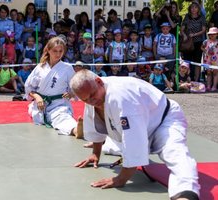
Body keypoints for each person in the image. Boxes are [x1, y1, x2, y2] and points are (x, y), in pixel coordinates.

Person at [70, 69, 200, 200]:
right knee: (114, 146)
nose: (91, 101)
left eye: (92, 96)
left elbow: (134, 140)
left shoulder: (121, 96)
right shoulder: (92, 91)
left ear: (99, 81)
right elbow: (95, 122)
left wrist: (121, 179)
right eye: (85, 100)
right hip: (138, 125)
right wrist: (95, 153)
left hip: (163, 121)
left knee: (175, 152)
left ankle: (186, 194)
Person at [24, 37, 83, 138]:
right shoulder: (40, 67)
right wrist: (37, 97)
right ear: (48, 50)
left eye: (61, 51)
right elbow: (29, 88)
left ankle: (76, 130)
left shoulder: (67, 68)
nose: (58, 54)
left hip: (59, 104)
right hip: (40, 105)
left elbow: (76, 87)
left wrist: (71, 93)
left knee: (63, 118)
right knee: (37, 114)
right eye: (55, 51)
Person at [180, 2, 206, 81]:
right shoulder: (187, 17)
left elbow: (204, 30)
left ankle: (197, 79)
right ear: (190, 9)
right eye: (192, 7)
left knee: (197, 61)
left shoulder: (202, 17)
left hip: (198, 42)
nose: (194, 9)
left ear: (198, 9)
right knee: (187, 61)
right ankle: (188, 79)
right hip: (188, 42)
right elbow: (182, 29)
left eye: (195, 7)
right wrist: (184, 35)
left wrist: (195, 34)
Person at [201, 27, 218, 92]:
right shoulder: (206, 41)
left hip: (216, 60)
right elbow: (202, 48)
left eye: (214, 34)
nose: (212, 35)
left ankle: (214, 86)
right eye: (210, 34)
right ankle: (208, 86)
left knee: (215, 73)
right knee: (208, 73)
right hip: (208, 59)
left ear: (217, 34)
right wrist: (206, 51)